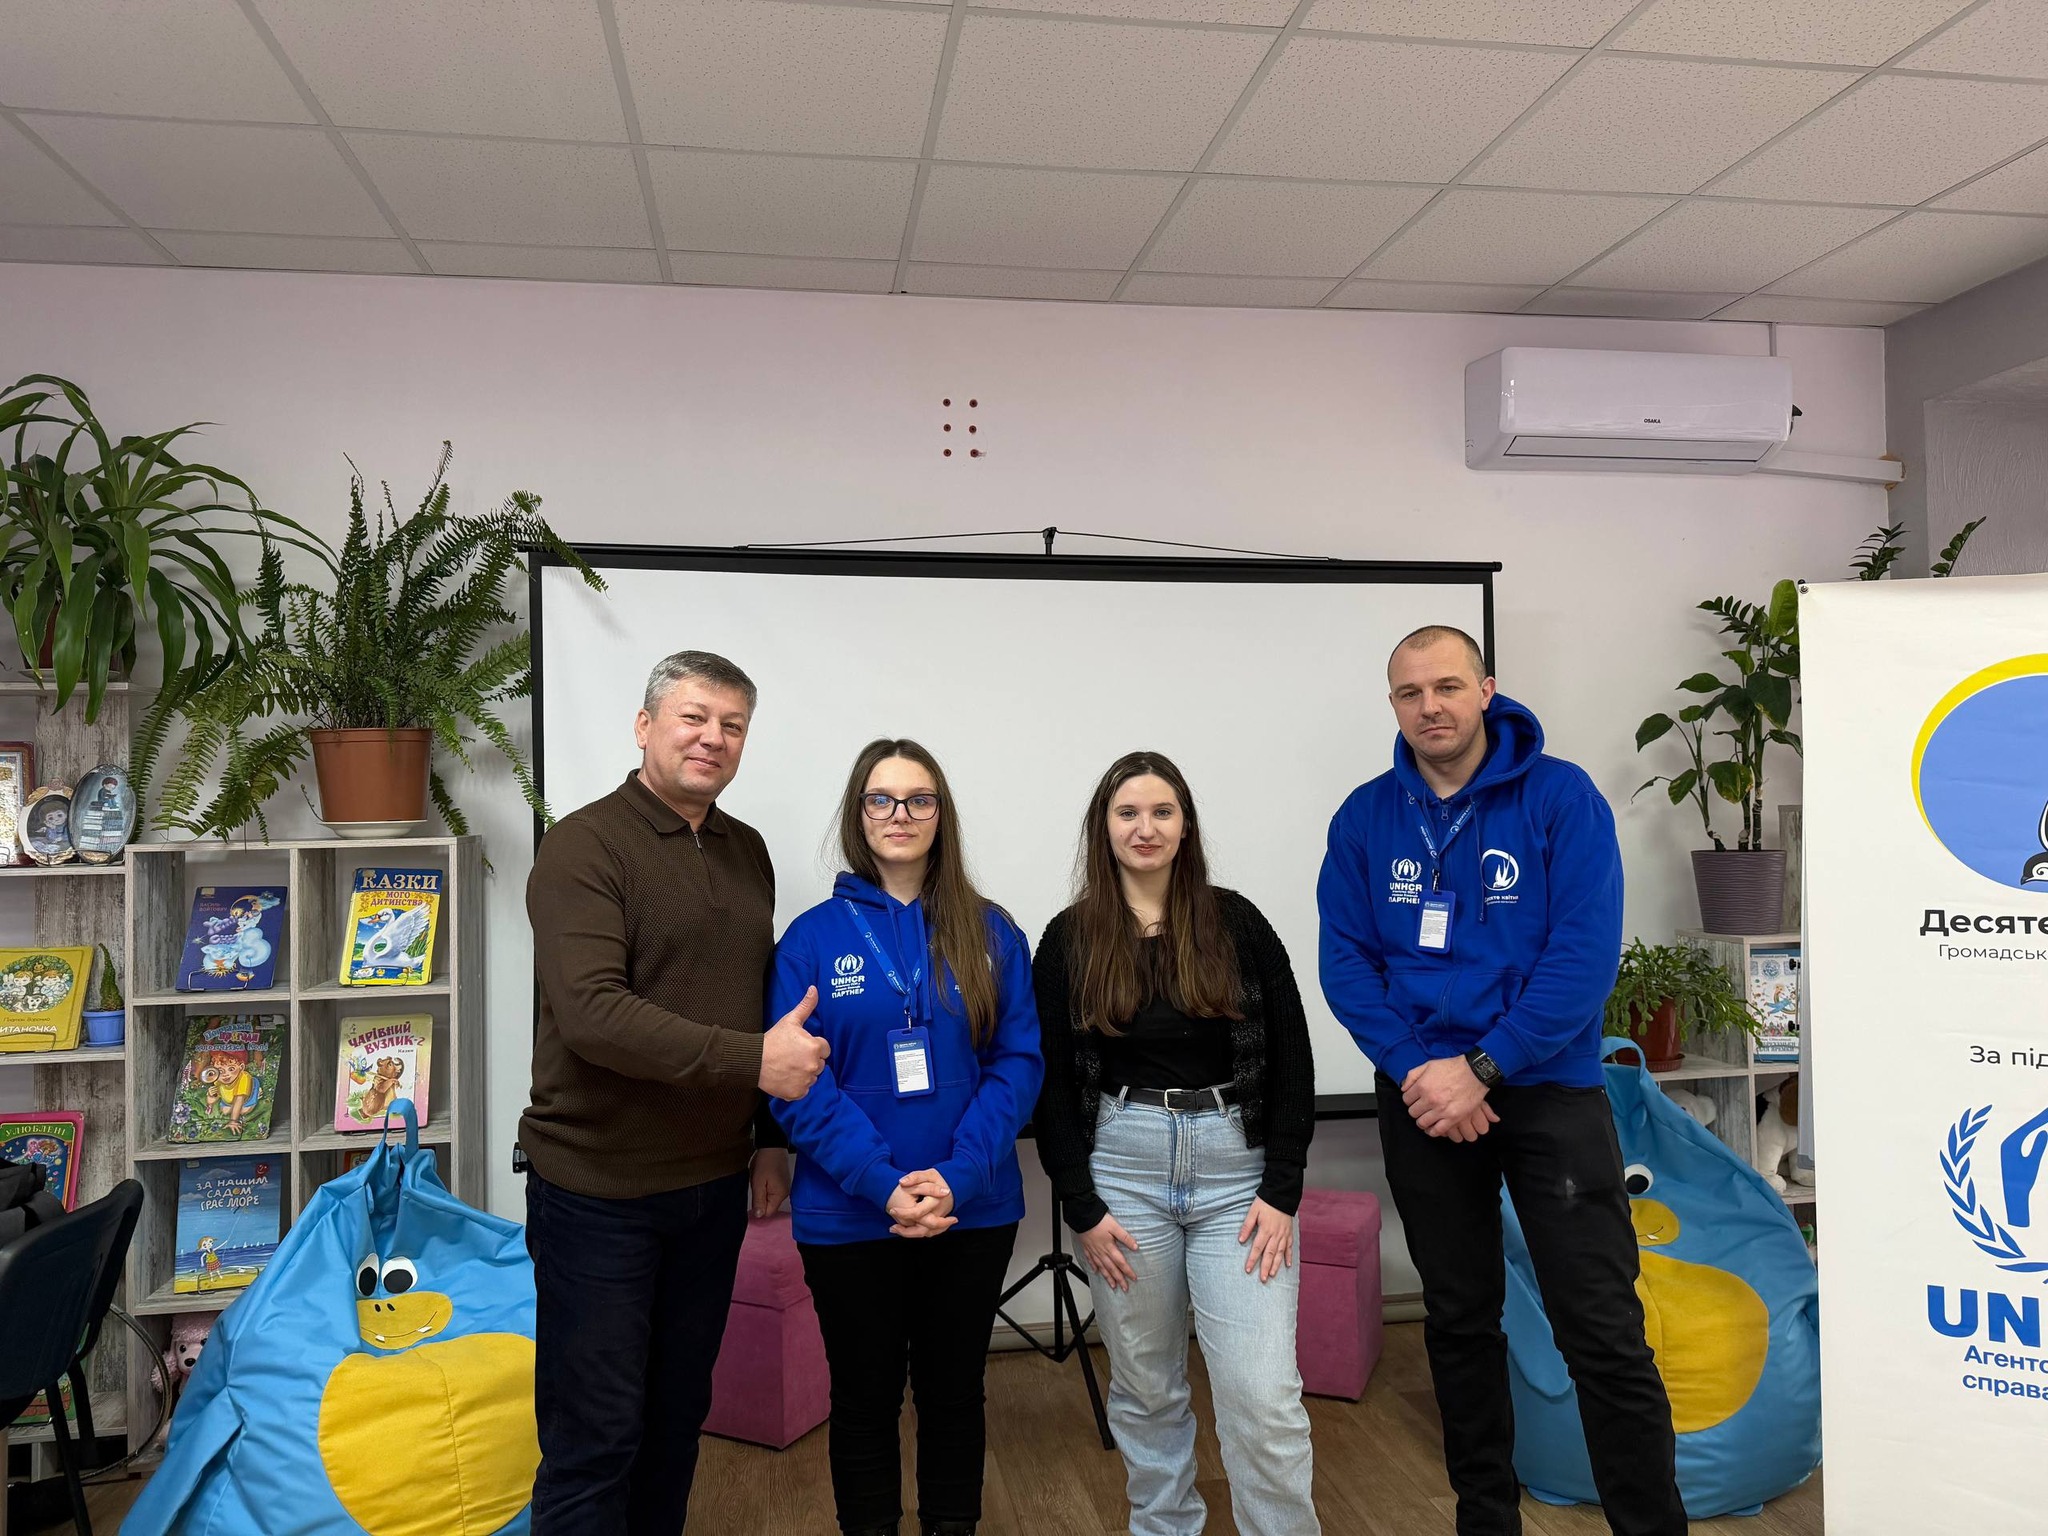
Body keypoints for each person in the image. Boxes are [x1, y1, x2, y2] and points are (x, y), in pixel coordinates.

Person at [1317, 626, 1685, 1536]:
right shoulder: (1365, 817)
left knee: (1600, 1327)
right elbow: (1347, 964)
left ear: (1486, 690)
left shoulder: (1561, 798)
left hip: (1549, 1088)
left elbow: (1583, 959)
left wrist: (1484, 1067)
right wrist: (1423, 1072)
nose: (1429, 707)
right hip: (1423, 1098)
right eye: (1410, 693)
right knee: (1457, 1319)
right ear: (1393, 704)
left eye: (1447, 686)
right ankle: (1485, 1520)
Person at [521, 650, 831, 1536]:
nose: (713, 738)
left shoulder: (747, 851)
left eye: (733, 725)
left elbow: (756, 1003)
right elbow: (594, 1016)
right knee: (594, 1436)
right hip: (598, 1192)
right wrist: (753, 1065)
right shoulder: (582, 846)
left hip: (712, 1190)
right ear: (644, 726)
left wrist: (769, 1135)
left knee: (674, 1421)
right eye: (694, 717)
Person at [1034, 751, 1319, 1536]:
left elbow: (1292, 1058)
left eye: (1162, 811)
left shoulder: (1238, 923)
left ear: (1185, 825)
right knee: (1147, 1390)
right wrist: (1081, 1204)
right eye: (1128, 813)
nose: (1146, 827)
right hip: (1122, 1177)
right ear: (1104, 828)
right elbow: (1049, 1083)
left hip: (1240, 1180)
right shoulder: (1069, 939)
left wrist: (1282, 1187)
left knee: (1264, 1396)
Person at [769, 738, 1043, 1536]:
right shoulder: (811, 940)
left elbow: (1018, 1062)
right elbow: (795, 1083)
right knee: (863, 1400)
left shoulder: (992, 932)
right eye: (881, 799)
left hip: (971, 1207)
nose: (900, 814)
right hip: (849, 1213)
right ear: (858, 814)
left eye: (919, 799)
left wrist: (958, 1174)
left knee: (955, 1394)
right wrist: (881, 1182)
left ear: (940, 814)